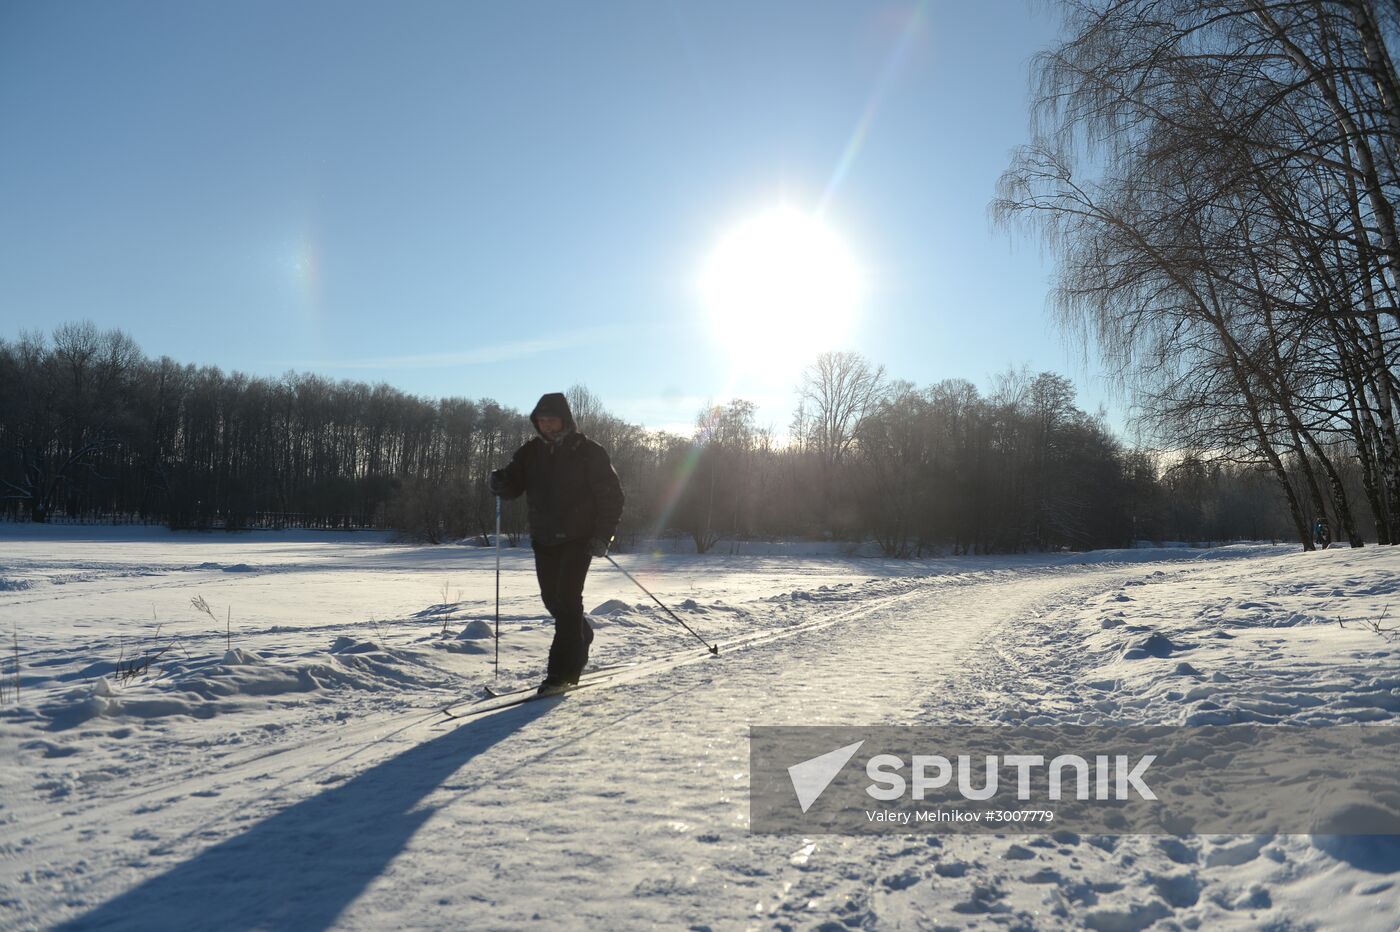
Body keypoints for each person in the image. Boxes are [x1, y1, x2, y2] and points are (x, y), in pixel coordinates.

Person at [489, 392, 624, 694]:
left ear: (565, 420)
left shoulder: (588, 451)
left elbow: (611, 496)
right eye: (541, 420)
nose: (547, 426)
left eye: (552, 420)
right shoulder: (531, 452)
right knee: (552, 601)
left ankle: (562, 674)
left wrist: (603, 536)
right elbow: (513, 484)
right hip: (544, 538)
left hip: (579, 538)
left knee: (566, 600)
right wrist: (500, 482)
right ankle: (581, 636)